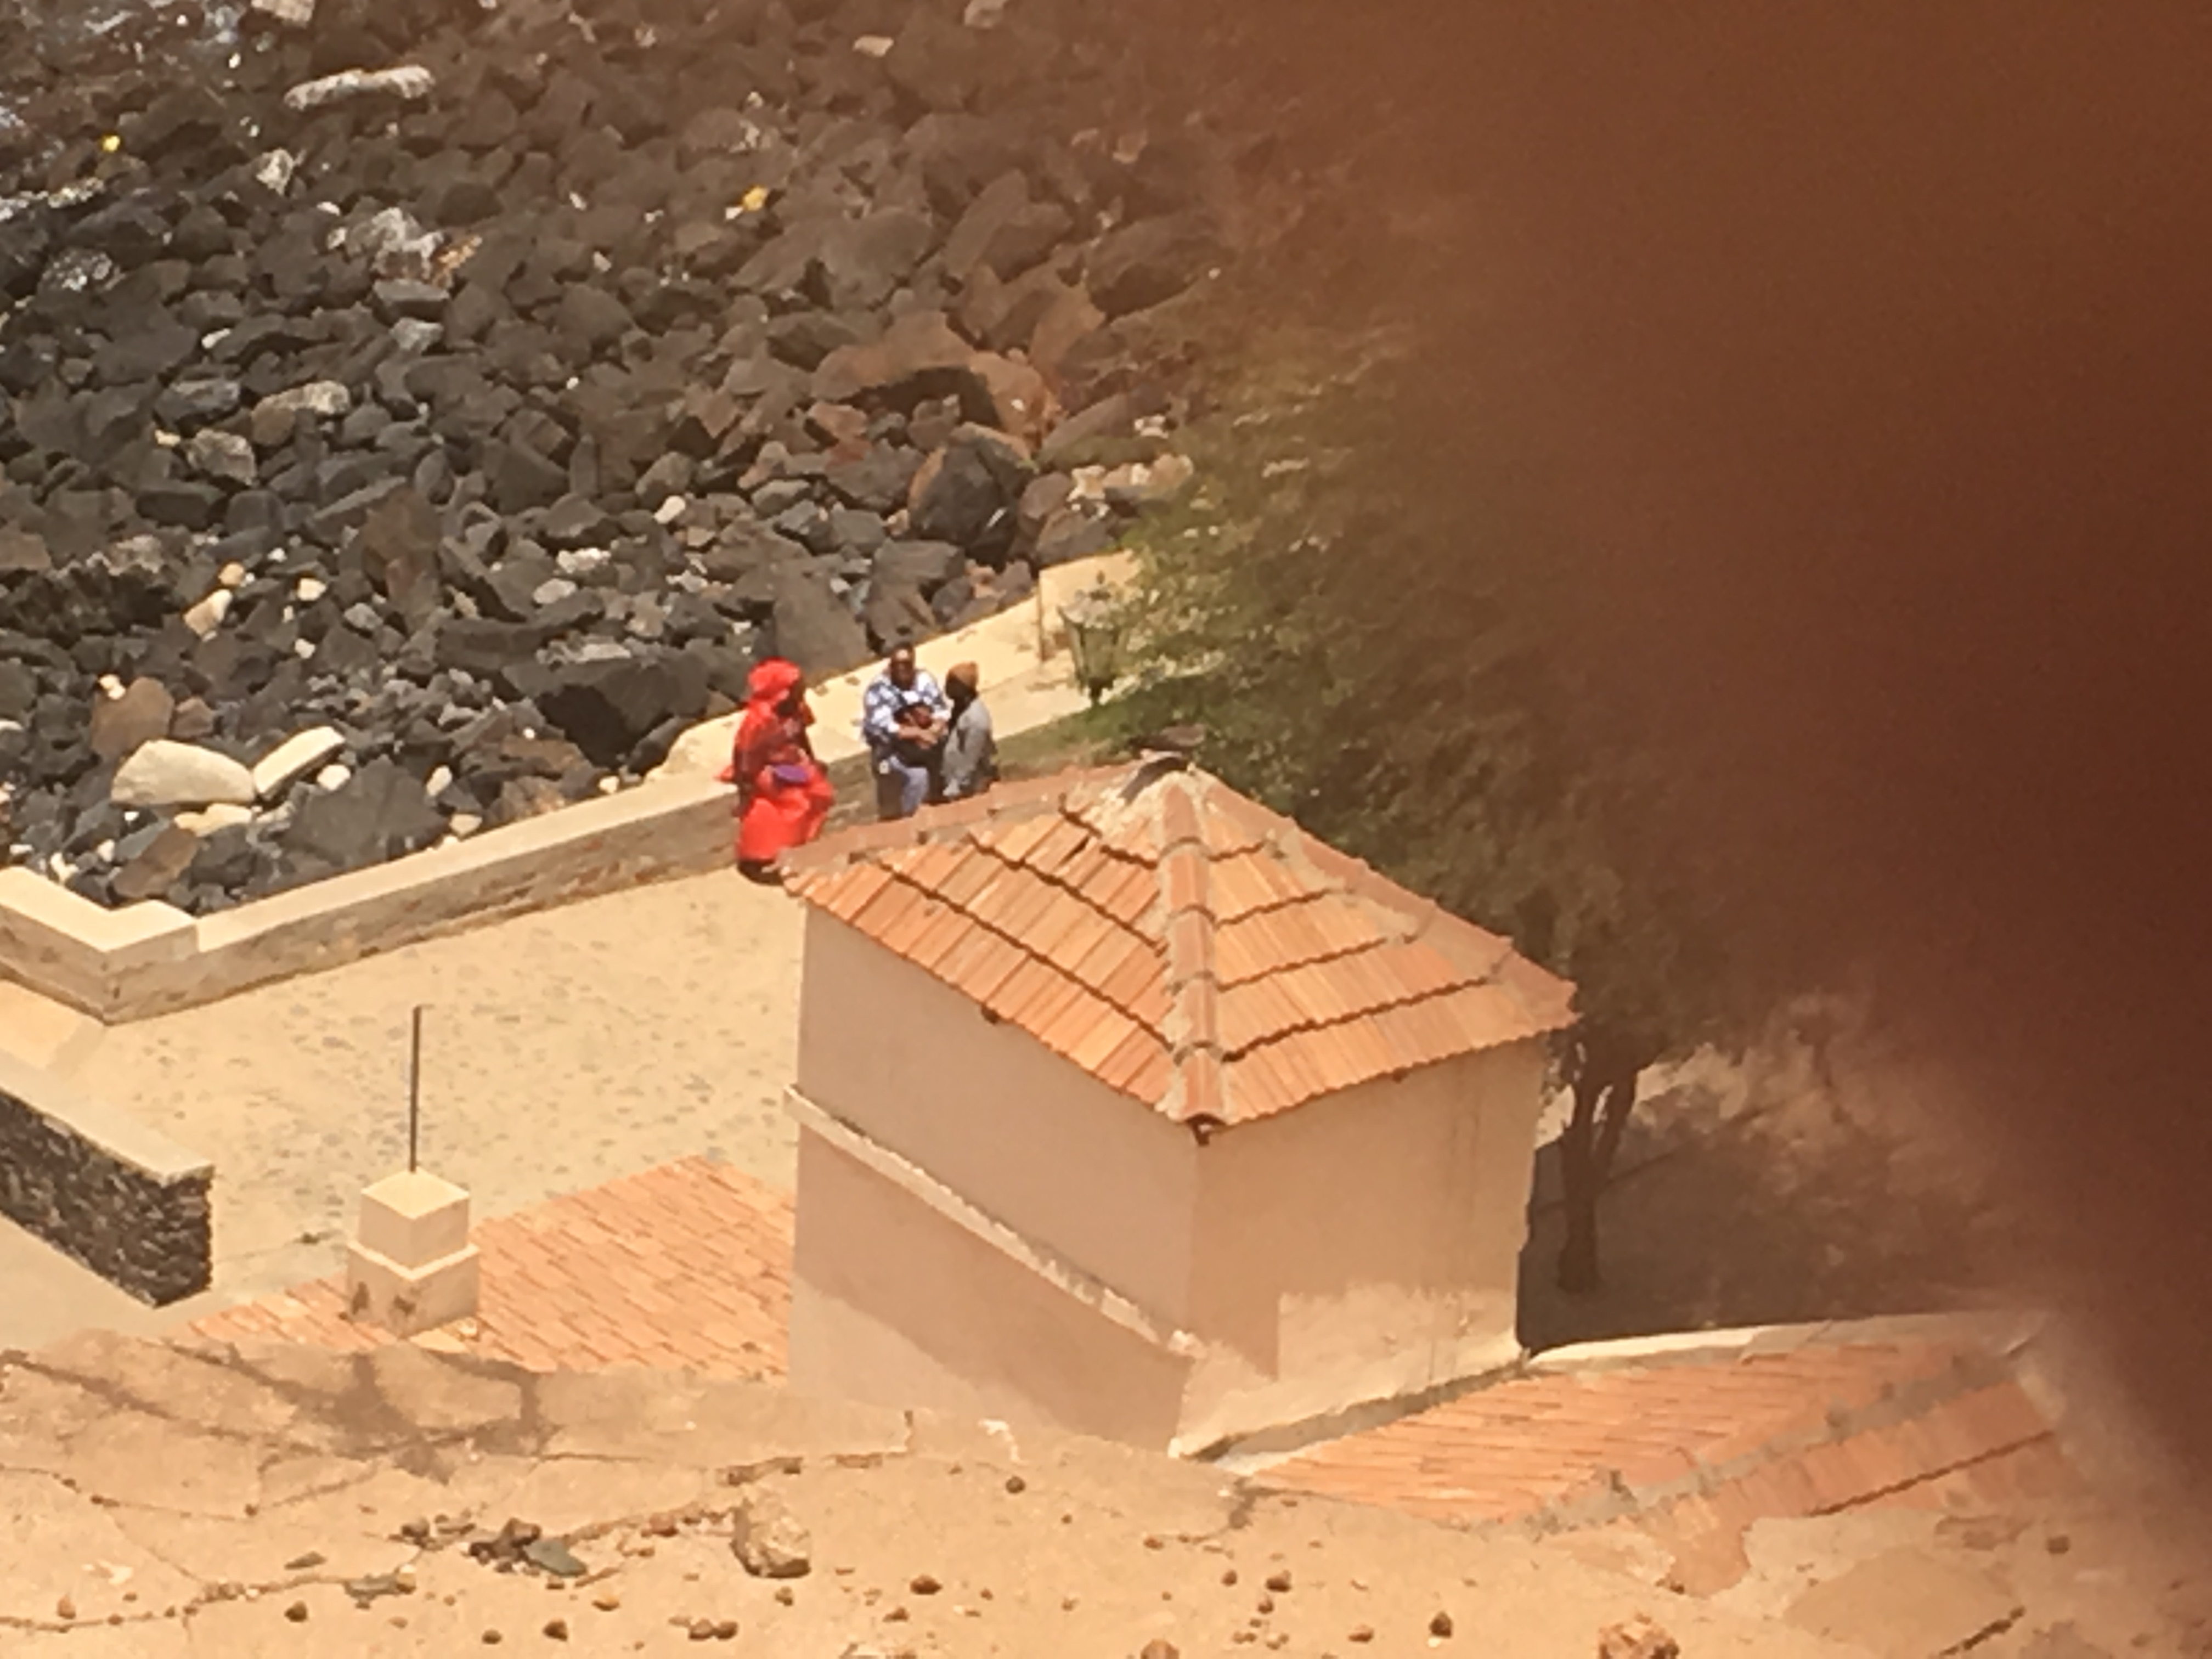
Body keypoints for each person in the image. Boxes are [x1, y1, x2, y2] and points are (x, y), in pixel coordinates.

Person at [719, 658, 834, 883]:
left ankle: (802, 847)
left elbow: (801, 735)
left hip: (790, 763)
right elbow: (743, 750)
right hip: (764, 767)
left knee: (820, 793)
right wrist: (745, 781)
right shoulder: (760, 718)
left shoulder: (796, 708)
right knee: (795, 802)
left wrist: (811, 760)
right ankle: (769, 856)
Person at [860, 644, 949, 820]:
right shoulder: (878, 690)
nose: (902, 667)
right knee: (919, 778)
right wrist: (919, 734)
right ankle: (911, 819)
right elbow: (888, 727)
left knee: (951, 758)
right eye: (897, 663)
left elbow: (941, 709)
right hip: (889, 751)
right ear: (891, 665)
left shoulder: (925, 680)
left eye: (906, 663)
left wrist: (936, 727)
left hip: (925, 745)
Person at [939, 661, 998, 802]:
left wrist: (956, 787)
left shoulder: (976, 719)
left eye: (951, 683)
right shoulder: (960, 710)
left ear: (962, 687)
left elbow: (970, 760)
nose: (947, 687)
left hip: (971, 789)